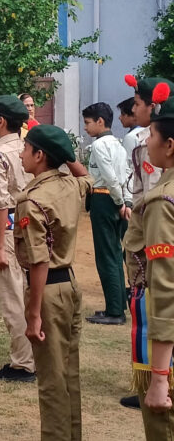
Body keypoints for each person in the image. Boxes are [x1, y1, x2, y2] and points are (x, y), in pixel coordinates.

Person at [14, 124, 92, 441]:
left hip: (47, 290)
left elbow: (39, 260)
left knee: (50, 380)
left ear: (39, 154)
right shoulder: (70, 186)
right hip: (70, 284)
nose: (21, 154)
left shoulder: (32, 201)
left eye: (26, 148)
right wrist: (67, 156)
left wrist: (33, 314)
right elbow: (86, 176)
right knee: (67, 373)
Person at [120, 75, 173, 409]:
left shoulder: (144, 144)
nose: (134, 109)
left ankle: (157, 380)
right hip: (148, 227)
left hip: (153, 235)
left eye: (138, 103)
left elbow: (152, 194)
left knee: (154, 305)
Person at [0, 93, 36, 382]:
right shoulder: (29, 147)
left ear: (1, 121)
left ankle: (23, 362)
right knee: (33, 292)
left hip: (10, 226)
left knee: (13, 296)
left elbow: (0, 203)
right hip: (34, 226)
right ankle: (36, 353)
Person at [82, 102, 130, 325]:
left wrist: (119, 200)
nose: (86, 128)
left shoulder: (100, 145)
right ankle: (118, 304)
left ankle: (114, 311)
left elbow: (110, 177)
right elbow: (125, 174)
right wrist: (123, 202)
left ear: (100, 122)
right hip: (116, 199)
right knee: (115, 253)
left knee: (106, 256)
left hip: (105, 198)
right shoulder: (118, 145)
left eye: (88, 123)